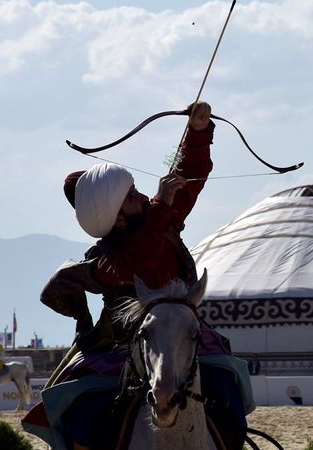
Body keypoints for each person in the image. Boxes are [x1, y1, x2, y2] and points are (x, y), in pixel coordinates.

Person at [28, 102, 250, 450]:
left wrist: (198, 131)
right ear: (116, 218)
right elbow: (143, 262)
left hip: (185, 335)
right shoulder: (105, 260)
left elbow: (188, 174)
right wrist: (162, 205)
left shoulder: (159, 217)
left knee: (227, 385)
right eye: (131, 196)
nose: (142, 195)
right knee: (84, 411)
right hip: (122, 349)